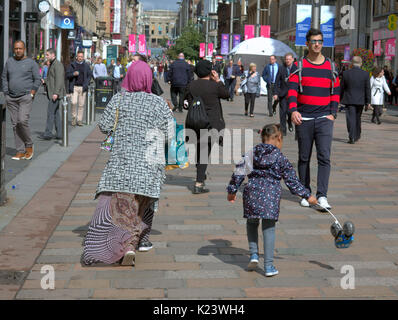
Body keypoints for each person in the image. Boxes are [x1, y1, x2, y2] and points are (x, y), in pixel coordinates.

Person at [82, 60, 174, 265]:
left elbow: (104, 126)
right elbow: (169, 135)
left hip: (122, 165)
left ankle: (125, 244)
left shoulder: (118, 100)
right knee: (143, 205)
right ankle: (135, 243)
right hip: (149, 167)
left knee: (123, 207)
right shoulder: (159, 103)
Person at [227, 124, 317, 277]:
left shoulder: (251, 153)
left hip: (252, 194)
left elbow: (239, 172)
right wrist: (307, 195)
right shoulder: (280, 158)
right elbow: (292, 181)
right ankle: (268, 266)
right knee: (268, 229)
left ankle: (254, 255)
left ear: (262, 137)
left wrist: (232, 191)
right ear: (278, 139)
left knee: (252, 223)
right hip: (270, 196)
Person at [288, 28, 340, 210]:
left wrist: (333, 113)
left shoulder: (331, 66)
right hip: (304, 118)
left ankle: (322, 196)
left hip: (325, 118)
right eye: (313, 41)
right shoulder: (299, 65)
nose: (317, 44)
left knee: (324, 157)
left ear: (322, 43)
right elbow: (292, 90)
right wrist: (293, 110)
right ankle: (305, 192)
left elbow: (336, 91)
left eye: (319, 41)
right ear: (307, 44)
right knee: (304, 157)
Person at [184, 60, 229, 194]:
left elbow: (186, 102)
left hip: (195, 122)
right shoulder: (214, 86)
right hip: (211, 124)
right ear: (210, 71)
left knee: (200, 149)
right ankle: (199, 183)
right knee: (204, 151)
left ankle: (200, 173)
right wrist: (218, 80)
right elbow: (227, 94)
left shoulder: (191, 85)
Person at [1, 40, 41, 160]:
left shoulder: (31, 63)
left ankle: (29, 145)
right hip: (11, 98)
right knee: (15, 124)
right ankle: (20, 150)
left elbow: (37, 79)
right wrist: (6, 92)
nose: (18, 50)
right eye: (16, 49)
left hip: (25, 96)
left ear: (24, 49)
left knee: (22, 121)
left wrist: (32, 93)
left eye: (20, 48)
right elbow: (4, 77)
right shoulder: (9, 62)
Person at [340, 56, 371, 144]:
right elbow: (367, 88)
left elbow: (342, 87)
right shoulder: (365, 74)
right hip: (360, 100)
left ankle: (352, 136)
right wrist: (368, 101)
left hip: (349, 99)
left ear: (351, 64)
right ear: (361, 64)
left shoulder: (346, 73)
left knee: (351, 118)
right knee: (358, 118)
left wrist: (339, 98)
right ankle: (357, 135)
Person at [38, 48, 66, 140]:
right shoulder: (53, 64)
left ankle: (48, 133)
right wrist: (45, 81)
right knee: (56, 113)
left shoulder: (57, 65)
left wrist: (56, 93)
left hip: (55, 93)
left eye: (47, 55)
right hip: (54, 93)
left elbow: (59, 80)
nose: (46, 57)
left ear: (52, 55)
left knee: (50, 113)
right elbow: (52, 78)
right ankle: (59, 134)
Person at [66, 51, 92, 126]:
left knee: (81, 105)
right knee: (73, 102)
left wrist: (86, 83)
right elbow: (67, 75)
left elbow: (89, 75)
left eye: (81, 56)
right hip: (74, 87)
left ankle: (79, 120)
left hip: (82, 87)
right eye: (79, 56)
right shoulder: (72, 65)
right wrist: (73, 74)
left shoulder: (86, 65)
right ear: (76, 57)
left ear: (83, 57)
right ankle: (74, 117)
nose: (80, 58)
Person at [274, 53, 295, 136]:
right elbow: (276, 81)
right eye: (286, 59)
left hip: (293, 94)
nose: (287, 61)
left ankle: (289, 121)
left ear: (292, 59)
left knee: (290, 112)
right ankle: (283, 130)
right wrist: (276, 93)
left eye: (289, 59)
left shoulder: (296, 68)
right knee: (282, 113)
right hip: (283, 94)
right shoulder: (281, 68)